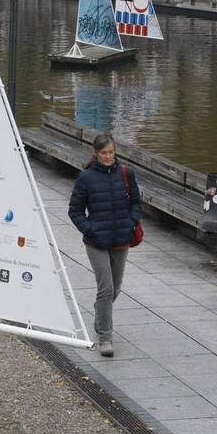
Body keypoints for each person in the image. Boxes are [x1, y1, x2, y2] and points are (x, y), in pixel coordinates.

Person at [68, 133, 141, 357]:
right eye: (104, 153)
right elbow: (75, 211)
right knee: (106, 288)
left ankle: (101, 312)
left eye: (111, 152)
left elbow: (136, 202)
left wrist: (131, 223)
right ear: (95, 153)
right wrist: (91, 229)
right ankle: (105, 336)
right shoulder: (86, 178)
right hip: (96, 242)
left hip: (121, 240)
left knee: (115, 288)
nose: (108, 156)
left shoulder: (126, 173)